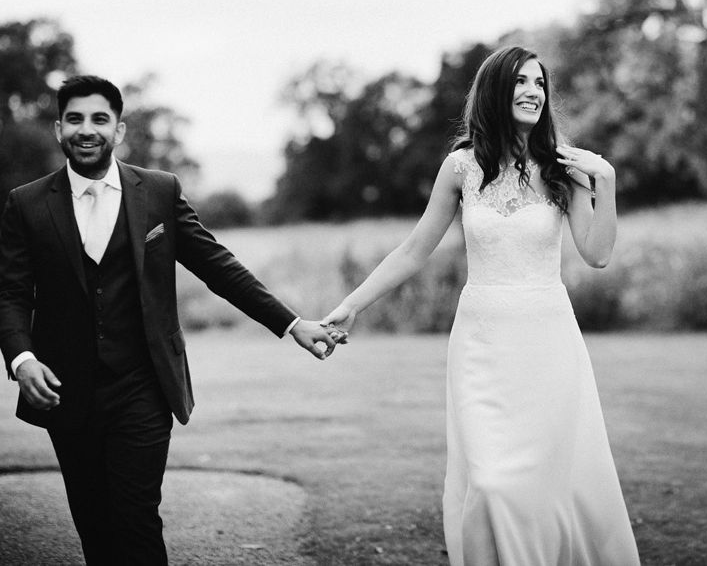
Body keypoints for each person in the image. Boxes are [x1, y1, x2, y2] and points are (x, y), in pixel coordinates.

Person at [0, 75, 340, 565]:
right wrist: (22, 358)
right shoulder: (26, 203)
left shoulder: (158, 191)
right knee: (94, 524)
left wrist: (292, 323)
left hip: (143, 383)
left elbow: (217, 266)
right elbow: (10, 291)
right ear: (58, 129)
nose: (86, 129)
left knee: (136, 518)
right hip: (66, 388)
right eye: (75, 119)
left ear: (118, 130)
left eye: (100, 119)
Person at [322, 47, 640, 565]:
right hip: (483, 342)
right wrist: (353, 304)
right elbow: (412, 249)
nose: (533, 91)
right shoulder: (460, 167)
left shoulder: (566, 167)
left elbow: (598, 254)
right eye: (520, 82)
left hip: (549, 340)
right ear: (495, 90)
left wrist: (605, 181)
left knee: (547, 479)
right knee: (491, 480)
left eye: (539, 83)